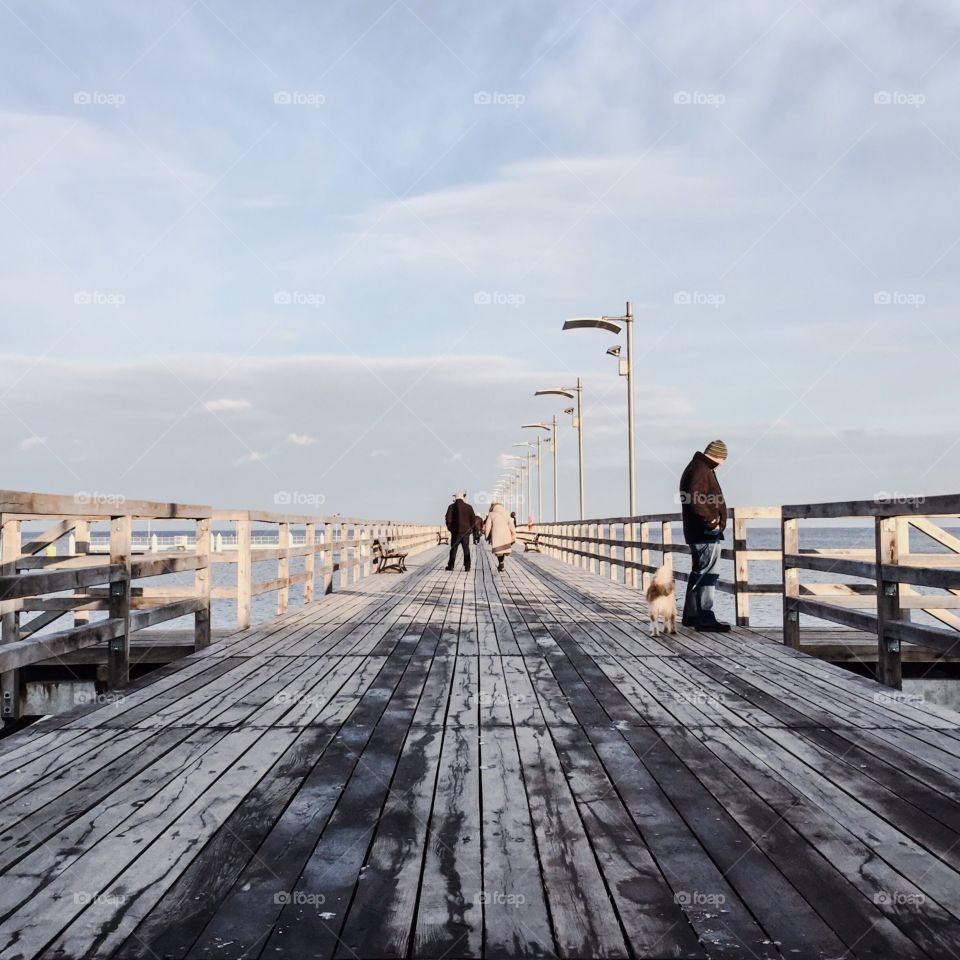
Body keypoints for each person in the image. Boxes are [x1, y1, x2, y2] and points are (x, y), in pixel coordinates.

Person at [678, 440, 731, 631]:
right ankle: (705, 618)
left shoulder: (698, 467)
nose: (723, 463)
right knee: (707, 574)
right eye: (723, 459)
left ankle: (691, 615)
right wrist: (712, 521)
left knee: (699, 573)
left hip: (699, 531)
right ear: (717, 455)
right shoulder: (701, 469)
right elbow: (695, 497)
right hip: (704, 532)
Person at [445, 491, 476, 572]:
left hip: (455, 532)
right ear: (463, 497)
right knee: (466, 549)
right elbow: (473, 520)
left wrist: (451, 529)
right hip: (466, 532)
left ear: (456, 497)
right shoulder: (469, 507)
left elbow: (448, 519)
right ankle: (467, 566)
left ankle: (451, 566)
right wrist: (470, 529)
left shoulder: (451, 507)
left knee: (453, 549)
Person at [485, 501, 517, 573]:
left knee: (499, 549)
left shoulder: (491, 514)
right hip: (506, 532)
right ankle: (501, 563)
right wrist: (514, 534)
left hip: (496, 532)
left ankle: (501, 563)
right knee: (503, 548)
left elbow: (488, 526)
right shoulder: (506, 513)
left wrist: (487, 536)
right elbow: (511, 524)